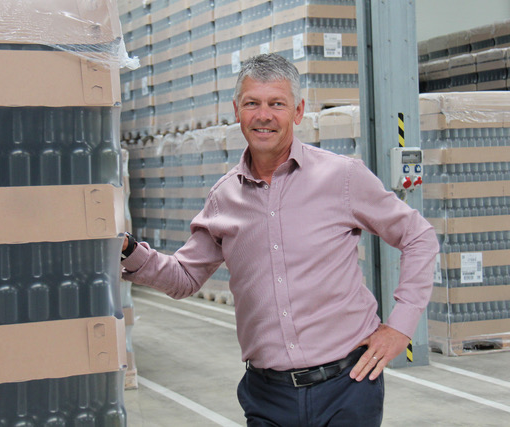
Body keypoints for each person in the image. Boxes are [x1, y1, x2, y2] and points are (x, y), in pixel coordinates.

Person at [120, 53, 439, 426]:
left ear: (298, 111)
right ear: (236, 111)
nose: (264, 115)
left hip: (348, 387)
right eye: (252, 103)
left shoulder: (342, 177)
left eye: (277, 104)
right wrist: (127, 250)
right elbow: (185, 278)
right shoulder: (224, 197)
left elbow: (418, 236)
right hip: (267, 396)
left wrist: (401, 327)